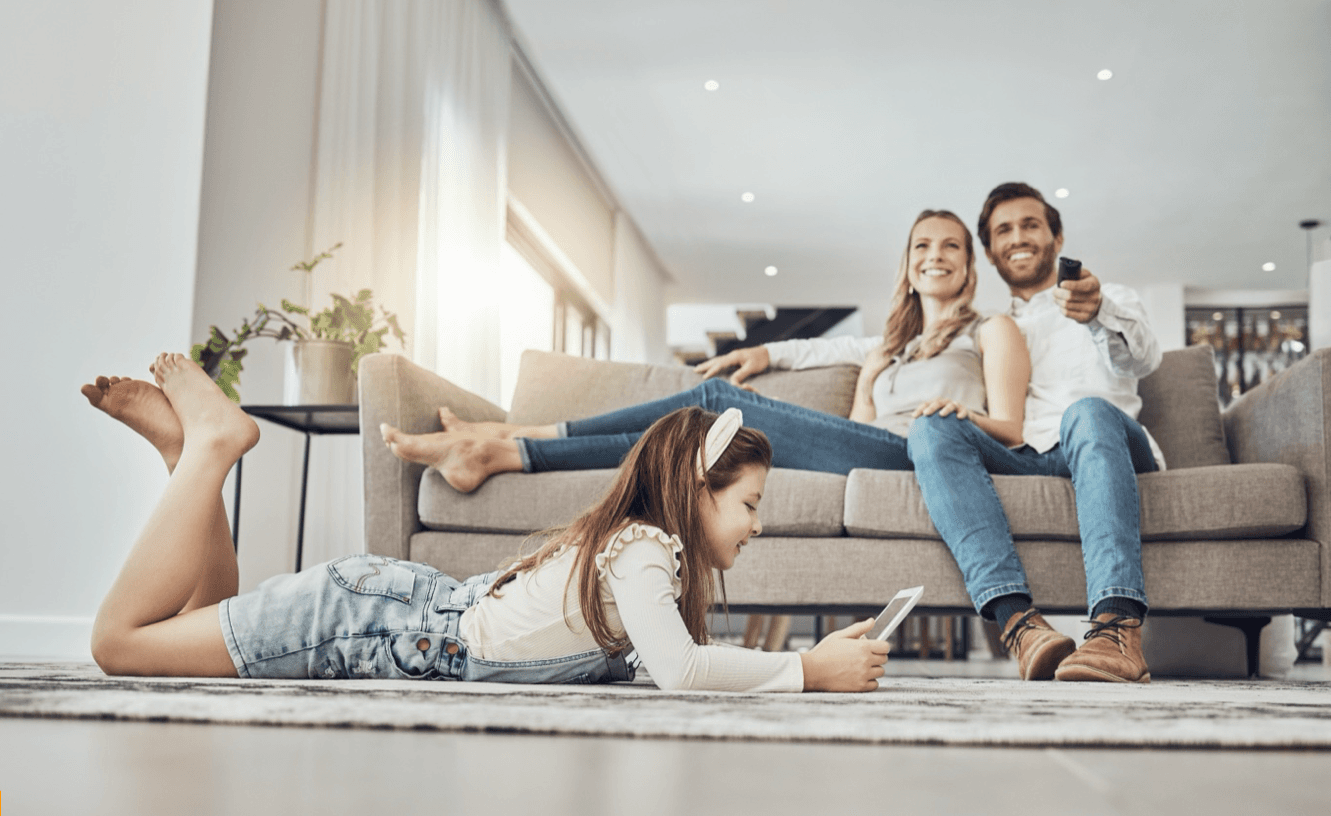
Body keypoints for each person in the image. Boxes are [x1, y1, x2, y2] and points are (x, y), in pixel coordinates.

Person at [80, 357, 888, 691]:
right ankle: (212, 450)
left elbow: (664, 659)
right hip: (361, 619)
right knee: (121, 646)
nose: (756, 527)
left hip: (394, 608)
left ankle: (183, 456)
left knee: (190, 628)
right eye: (748, 505)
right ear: (693, 490)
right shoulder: (644, 549)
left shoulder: (646, 559)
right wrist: (807, 670)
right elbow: (682, 670)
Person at [380, 209, 1030, 494]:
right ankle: (499, 450)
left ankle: (518, 433)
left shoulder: (990, 330)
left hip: (929, 454)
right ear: (909, 265)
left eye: (949, 246)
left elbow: (1013, 430)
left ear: (969, 266)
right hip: (868, 453)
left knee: (718, 402)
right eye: (922, 245)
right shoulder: (886, 349)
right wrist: (806, 366)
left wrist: (960, 415)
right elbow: (855, 433)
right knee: (690, 435)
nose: (935, 255)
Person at [908, 182, 1164, 683]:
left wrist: (1099, 313)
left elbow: (1145, 358)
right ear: (989, 251)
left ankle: (1116, 628)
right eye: (1003, 230)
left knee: (1085, 411)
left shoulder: (1106, 298)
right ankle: (1022, 627)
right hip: (1030, 453)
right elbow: (872, 347)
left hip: (1106, 443)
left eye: (1030, 225)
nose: (1017, 237)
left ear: (1056, 235)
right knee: (933, 426)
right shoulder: (990, 327)